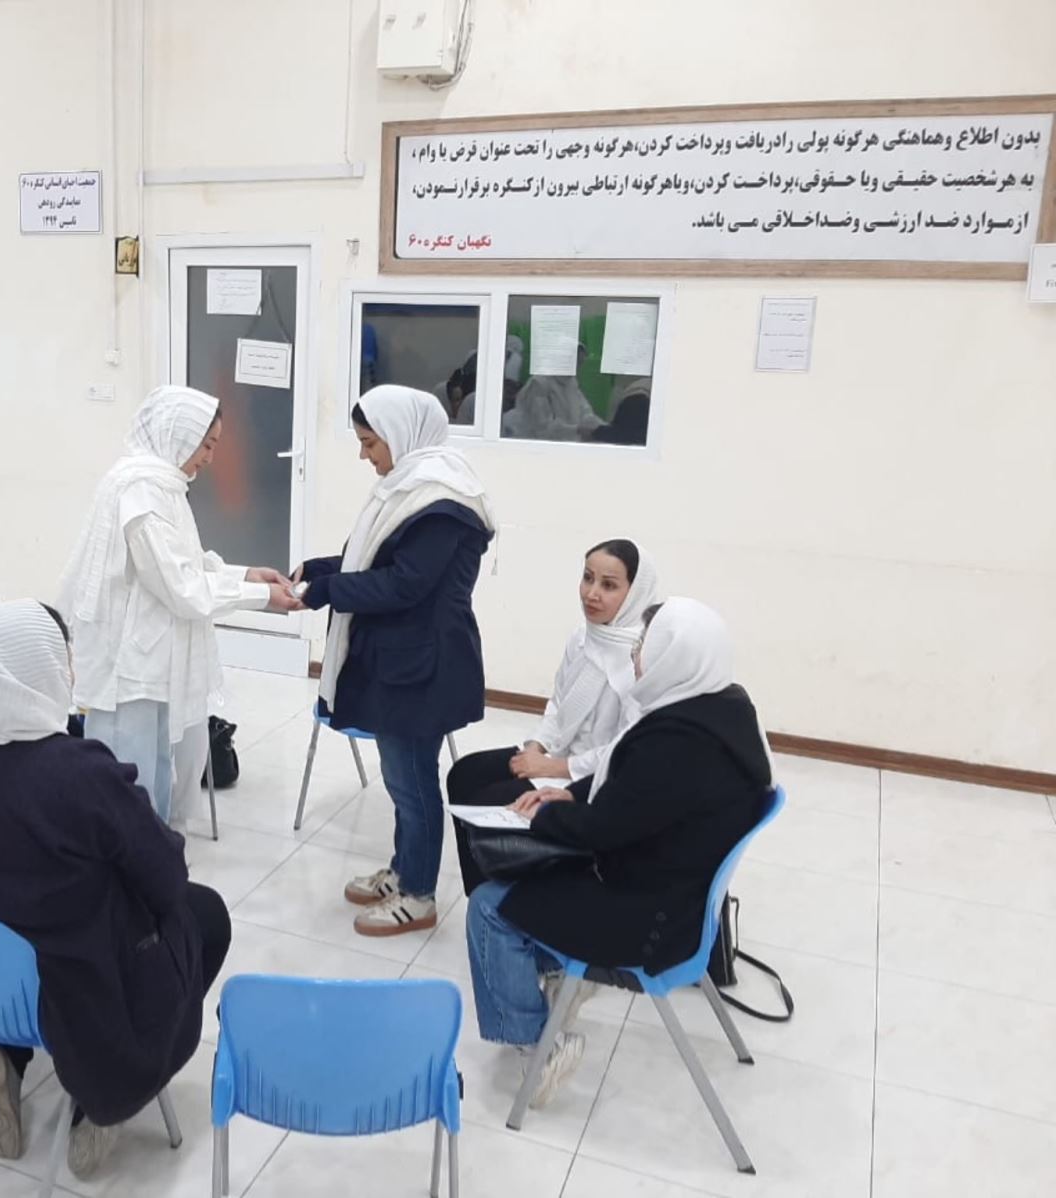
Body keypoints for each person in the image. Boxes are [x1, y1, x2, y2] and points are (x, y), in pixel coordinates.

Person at [0, 601, 231, 1179]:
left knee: (11, 925)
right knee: (204, 913)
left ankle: (3, 1051)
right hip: (65, 989)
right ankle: (106, 1093)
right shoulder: (78, 773)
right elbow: (165, 875)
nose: (70, 674)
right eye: (64, 660)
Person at [464, 598, 774, 1108]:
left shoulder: (674, 742)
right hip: (683, 901)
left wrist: (541, 817)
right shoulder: (724, 710)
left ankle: (539, 1045)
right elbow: (633, 795)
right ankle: (559, 982)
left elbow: (604, 831)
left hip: (649, 922)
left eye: (645, 646)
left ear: (674, 654)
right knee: (535, 883)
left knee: (490, 907)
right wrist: (569, 795)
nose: (636, 656)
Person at [295, 385, 495, 937]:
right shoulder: (410, 487)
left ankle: (419, 895)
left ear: (401, 434)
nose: (365, 455)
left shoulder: (443, 503)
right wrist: (318, 570)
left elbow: (404, 584)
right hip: (401, 660)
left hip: (424, 667)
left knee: (413, 782)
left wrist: (326, 591)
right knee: (401, 777)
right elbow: (374, 558)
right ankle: (405, 869)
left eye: (369, 442)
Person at [59, 385, 301, 822]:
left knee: (156, 766)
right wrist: (262, 596)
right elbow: (182, 587)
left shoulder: (163, 486)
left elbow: (186, 560)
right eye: (206, 445)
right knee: (128, 775)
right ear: (178, 435)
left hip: (152, 657)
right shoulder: (140, 493)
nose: (209, 457)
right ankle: (132, 855)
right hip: (129, 666)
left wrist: (244, 574)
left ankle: (153, 848)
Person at [447, 539, 662, 893]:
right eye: (588, 578)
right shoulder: (583, 637)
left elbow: (623, 751)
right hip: (556, 756)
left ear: (635, 592)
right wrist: (536, 748)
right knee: (464, 774)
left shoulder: (641, 658)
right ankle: (482, 895)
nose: (591, 593)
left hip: (591, 778)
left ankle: (505, 899)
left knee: (489, 801)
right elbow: (558, 705)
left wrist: (552, 768)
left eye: (608, 585)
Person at [503, 344, 604, 442]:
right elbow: (542, 427)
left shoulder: (570, 383)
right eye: (575, 364)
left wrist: (602, 428)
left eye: (580, 364)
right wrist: (576, 430)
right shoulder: (539, 384)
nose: (577, 369)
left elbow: (585, 412)